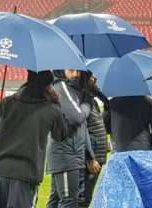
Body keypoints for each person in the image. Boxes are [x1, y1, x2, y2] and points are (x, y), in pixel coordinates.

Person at [0, 70, 72, 208]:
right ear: (48, 85)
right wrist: (58, 105)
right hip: (26, 177)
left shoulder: (7, 103)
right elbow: (61, 135)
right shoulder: (52, 109)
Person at [47, 70, 99, 208]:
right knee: (69, 202)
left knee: (57, 200)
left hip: (71, 154)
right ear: (62, 70)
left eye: (77, 71)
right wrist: (88, 102)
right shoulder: (61, 86)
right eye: (71, 70)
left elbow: (83, 127)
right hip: (66, 155)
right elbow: (77, 117)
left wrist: (90, 156)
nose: (75, 74)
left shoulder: (73, 90)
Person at [79, 75, 109, 208]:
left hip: (98, 155)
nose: (96, 79)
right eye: (92, 78)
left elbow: (109, 106)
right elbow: (81, 131)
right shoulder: (82, 101)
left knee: (86, 197)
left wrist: (98, 93)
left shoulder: (92, 101)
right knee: (82, 198)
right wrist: (89, 158)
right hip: (91, 159)